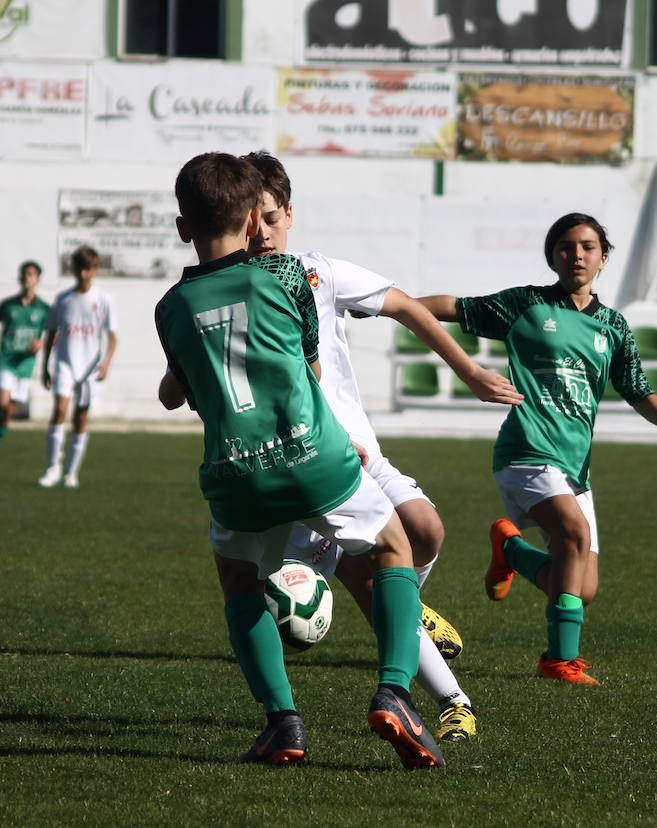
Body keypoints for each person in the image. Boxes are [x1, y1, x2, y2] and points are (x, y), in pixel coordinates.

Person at [155, 151, 444, 769]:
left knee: (239, 584)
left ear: (183, 227)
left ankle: (283, 724)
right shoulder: (286, 279)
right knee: (393, 547)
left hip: (235, 470)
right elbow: (309, 370)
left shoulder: (171, 308)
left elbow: (177, 393)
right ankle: (395, 692)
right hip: (312, 457)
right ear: (252, 216)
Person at [242, 150, 522, 741]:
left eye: (270, 216)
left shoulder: (320, 273)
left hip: (362, 455)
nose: (261, 231)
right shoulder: (234, 290)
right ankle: (453, 701)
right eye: (249, 218)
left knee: (427, 532)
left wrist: (469, 371)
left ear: (290, 213)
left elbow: (404, 305)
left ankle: (409, 627)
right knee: (363, 584)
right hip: (298, 472)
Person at [420, 213, 657, 686]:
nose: (577, 256)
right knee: (573, 535)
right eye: (566, 247)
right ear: (552, 256)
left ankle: (509, 548)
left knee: (580, 587)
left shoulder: (613, 326)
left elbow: (633, 385)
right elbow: (455, 306)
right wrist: (387, 304)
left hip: (575, 465)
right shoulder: (526, 305)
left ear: (604, 258)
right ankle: (558, 661)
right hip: (526, 449)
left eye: (588, 247)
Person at [37, 246, 117, 489]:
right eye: (80, 268)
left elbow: (113, 336)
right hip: (64, 364)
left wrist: (105, 364)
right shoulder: (63, 299)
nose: (83, 274)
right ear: (73, 269)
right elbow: (50, 333)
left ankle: (71, 473)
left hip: (89, 368)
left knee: (81, 417)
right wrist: (45, 367)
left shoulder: (103, 299)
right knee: (59, 411)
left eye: (88, 269)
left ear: (95, 270)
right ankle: (53, 468)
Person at [0, 261, 50, 467]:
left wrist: (42, 342)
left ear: (38, 280)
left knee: (8, 412)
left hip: (25, 364)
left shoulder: (44, 309)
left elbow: (55, 334)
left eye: (31, 275)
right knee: (2, 403)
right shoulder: (7, 305)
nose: (27, 278)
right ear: (19, 278)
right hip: (6, 360)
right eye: (24, 274)